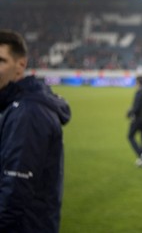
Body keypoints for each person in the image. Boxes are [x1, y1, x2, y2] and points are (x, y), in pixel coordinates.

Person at [0, 29, 71, 233]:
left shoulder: (27, 113)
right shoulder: (17, 106)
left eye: (1, 60)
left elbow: (15, 194)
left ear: (20, 65)